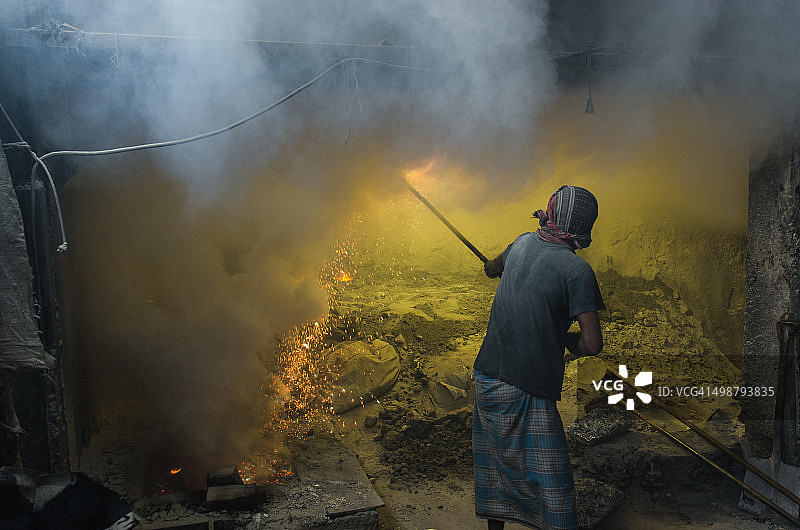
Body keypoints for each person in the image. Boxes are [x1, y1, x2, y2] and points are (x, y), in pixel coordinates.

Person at [473, 185, 605, 530]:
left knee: (497, 465)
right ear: (585, 225)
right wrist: (562, 338)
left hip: (485, 378)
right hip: (526, 387)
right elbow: (592, 344)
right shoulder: (577, 272)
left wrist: (494, 266)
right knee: (553, 488)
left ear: (550, 213)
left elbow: (491, 268)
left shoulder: (519, 243)